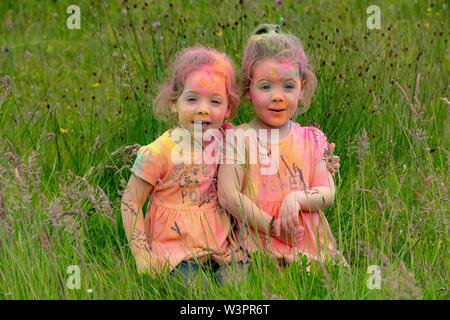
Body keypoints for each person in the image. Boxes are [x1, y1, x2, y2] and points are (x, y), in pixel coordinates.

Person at [218, 24, 344, 266]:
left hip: (306, 243)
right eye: (265, 86)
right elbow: (228, 195)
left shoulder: (311, 138)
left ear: (302, 88)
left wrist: (297, 198)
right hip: (258, 242)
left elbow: (327, 193)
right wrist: (273, 227)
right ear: (248, 90)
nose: (278, 96)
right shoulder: (238, 139)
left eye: (288, 86)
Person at [120, 46, 242, 280]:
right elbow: (131, 202)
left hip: (222, 250)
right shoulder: (160, 152)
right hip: (175, 253)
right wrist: (140, 253)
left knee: (238, 286)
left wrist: (322, 159)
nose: (203, 110)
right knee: (197, 290)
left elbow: (268, 155)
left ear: (228, 109)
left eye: (215, 102)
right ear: (175, 102)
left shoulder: (230, 140)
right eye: (192, 99)